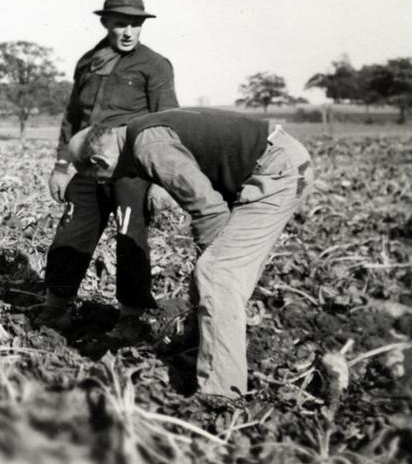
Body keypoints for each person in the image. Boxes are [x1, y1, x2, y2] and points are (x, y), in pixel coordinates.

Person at [67, 108, 314, 400]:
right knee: (212, 271)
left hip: (277, 169)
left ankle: (222, 394)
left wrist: (210, 274)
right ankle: (202, 347)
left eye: (99, 177)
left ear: (99, 161)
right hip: (274, 161)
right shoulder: (139, 134)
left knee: (217, 273)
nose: (105, 183)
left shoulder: (148, 147)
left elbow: (209, 210)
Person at [40, 0, 179, 339]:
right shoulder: (88, 62)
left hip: (131, 168)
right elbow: (73, 118)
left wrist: (161, 182)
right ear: (105, 23)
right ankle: (56, 310)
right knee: (70, 235)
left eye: (135, 24)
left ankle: (130, 318)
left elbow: (167, 123)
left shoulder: (155, 65)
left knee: (130, 239)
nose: (129, 31)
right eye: (121, 24)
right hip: (88, 167)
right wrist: (61, 166)